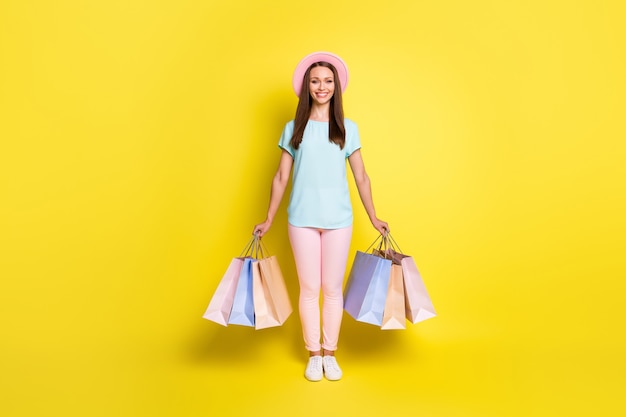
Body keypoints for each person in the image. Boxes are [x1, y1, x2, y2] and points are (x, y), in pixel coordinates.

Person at [253, 51, 388, 382]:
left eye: (328, 81)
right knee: (309, 287)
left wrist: (373, 216)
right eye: (315, 81)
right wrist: (268, 217)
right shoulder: (293, 129)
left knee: (332, 288)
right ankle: (314, 354)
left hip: (339, 221)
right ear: (306, 86)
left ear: (336, 86)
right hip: (301, 220)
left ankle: (331, 353)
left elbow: (361, 177)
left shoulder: (347, 129)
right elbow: (281, 177)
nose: (322, 86)